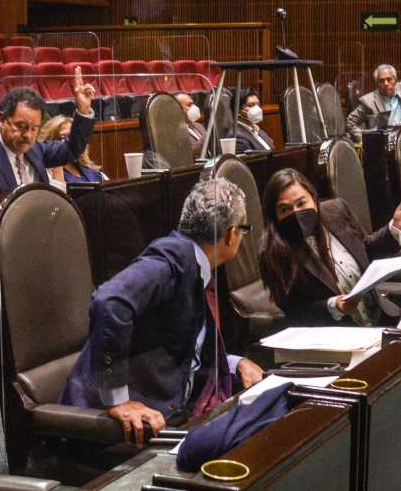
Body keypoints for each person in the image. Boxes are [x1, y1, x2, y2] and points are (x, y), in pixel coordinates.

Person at [59, 178, 265, 443]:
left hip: (170, 414)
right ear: (230, 234)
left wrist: (235, 363)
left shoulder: (193, 263)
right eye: (243, 229)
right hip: (110, 431)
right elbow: (109, 301)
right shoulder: (172, 259)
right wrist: (117, 399)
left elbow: (181, 345)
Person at [257, 169, 401, 327]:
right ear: (275, 215)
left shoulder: (337, 211)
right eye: (285, 209)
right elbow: (295, 311)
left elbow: (366, 249)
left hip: (381, 316)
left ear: (314, 199)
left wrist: (396, 228)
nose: (295, 212)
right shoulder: (273, 253)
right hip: (339, 335)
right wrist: (333, 306)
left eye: (301, 203)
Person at [0, 75, 96, 237]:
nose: (28, 135)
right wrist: (10, 213)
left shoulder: (34, 149)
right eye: (21, 126)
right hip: (4, 245)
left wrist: (83, 110)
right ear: (1, 119)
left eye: (34, 128)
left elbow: (71, 149)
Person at [39, 114, 107, 183]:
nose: (70, 142)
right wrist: (57, 165)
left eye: (73, 138)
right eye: (62, 137)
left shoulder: (89, 167)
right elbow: (58, 192)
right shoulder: (45, 174)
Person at [174, 91, 206, 158]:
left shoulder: (198, 126)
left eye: (193, 104)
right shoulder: (175, 131)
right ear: (177, 109)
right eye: (189, 105)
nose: (194, 107)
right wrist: (206, 136)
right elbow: (190, 151)